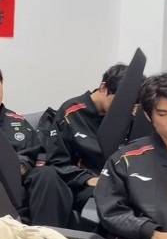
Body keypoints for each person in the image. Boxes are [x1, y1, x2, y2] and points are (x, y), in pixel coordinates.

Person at [94, 72, 167, 239]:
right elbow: (111, 211)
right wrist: (151, 233)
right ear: (148, 115)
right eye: (163, 114)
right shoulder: (125, 159)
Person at [0, 63, 73, 227]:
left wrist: (21, 164)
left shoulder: (17, 121)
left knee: (48, 174)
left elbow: (39, 152)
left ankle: (44, 233)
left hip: (21, 180)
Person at [41, 63, 130, 212]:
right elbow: (57, 162)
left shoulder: (128, 116)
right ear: (103, 88)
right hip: (84, 185)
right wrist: (89, 179)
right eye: (119, 102)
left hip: (120, 182)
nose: (124, 110)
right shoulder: (71, 112)